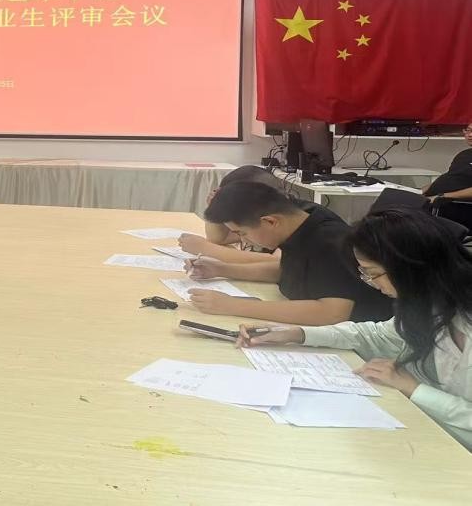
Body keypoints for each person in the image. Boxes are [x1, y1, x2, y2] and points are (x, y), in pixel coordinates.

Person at [239, 209, 472, 450]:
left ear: (411, 266)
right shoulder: (431, 303)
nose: (371, 283)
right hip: (434, 431)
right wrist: (297, 333)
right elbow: (376, 335)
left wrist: (413, 388)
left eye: (373, 273)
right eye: (364, 273)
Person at [185, 181, 393, 325]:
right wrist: (222, 269)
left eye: (243, 233)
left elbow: (332, 312)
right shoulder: (299, 218)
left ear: (270, 221)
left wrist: (233, 305)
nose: (243, 240)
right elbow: (287, 270)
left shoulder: (330, 241)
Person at [178, 165, 287, 266]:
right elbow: (218, 238)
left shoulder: (292, 226)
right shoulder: (263, 218)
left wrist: (205, 248)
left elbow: (277, 263)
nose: (244, 240)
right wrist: (217, 207)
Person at [423, 124, 472, 202]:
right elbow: (450, 176)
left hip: (453, 204)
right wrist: (421, 191)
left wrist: (442, 196)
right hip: (432, 198)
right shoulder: (464, 154)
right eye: (468, 130)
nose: (470, 135)